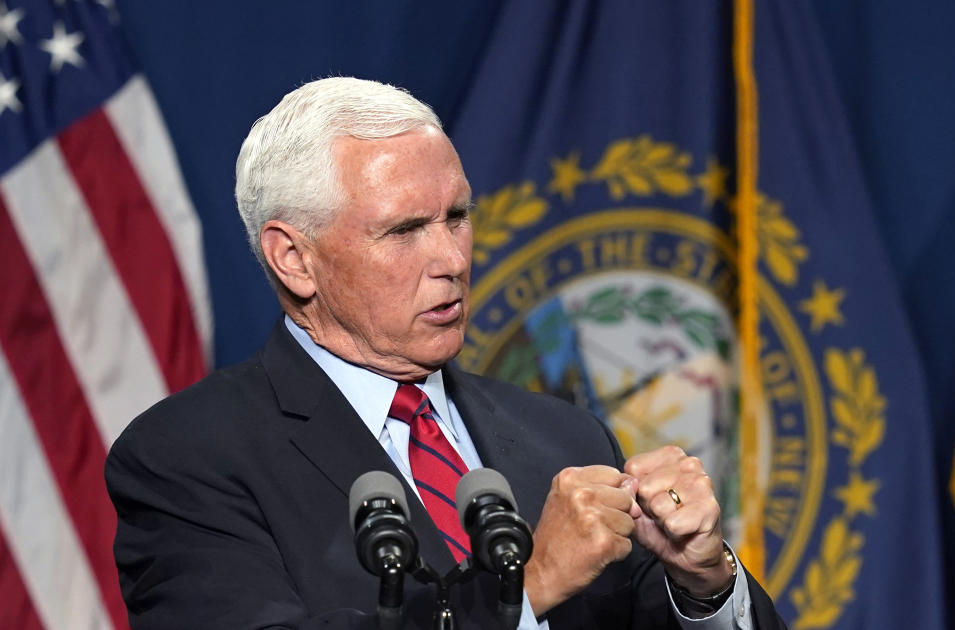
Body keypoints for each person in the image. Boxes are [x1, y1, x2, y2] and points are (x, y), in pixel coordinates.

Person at [106, 77, 786, 630]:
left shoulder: (564, 437)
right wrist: (529, 587)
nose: (453, 258)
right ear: (295, 258)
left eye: (456, 217)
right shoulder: (188, 459)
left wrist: (703, 584)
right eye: (404, 230)